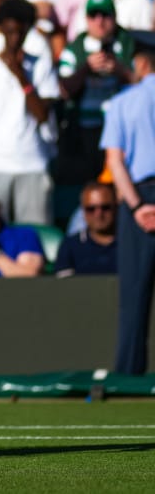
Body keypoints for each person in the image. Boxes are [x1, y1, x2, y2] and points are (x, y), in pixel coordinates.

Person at [0, 0, 60, 224]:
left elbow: (42, 115)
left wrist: (20, 75)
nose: (15, 38)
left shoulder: (41, 65)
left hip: (32, 163)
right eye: (10, 32)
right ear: (1, 30)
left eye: (21, 33)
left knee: (34, 238)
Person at [101, 35, 155, 374]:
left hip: (140, 199)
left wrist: (138, 207)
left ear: (141, 62)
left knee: (134, 299)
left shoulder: (123, 102)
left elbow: (115, 162)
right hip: (143, 200)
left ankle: (128, 380)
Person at [58, 0, 135, 182]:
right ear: (86, 19)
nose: (99, 21)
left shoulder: (128, 44)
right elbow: (64, 90)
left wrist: (120, 70)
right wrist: (86, 69)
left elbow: (144, 85)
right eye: (94, 15)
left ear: (115, 17)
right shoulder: (75, 49)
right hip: (84, 131)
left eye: (105, 15)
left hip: (120, 129)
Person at [54, 181, 119, 276]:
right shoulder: (69, 246)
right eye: (91, 209)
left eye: (105, 207)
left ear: (116, 207)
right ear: (82, 211)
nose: (98, 214)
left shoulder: (131, 243)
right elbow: (64, 287)